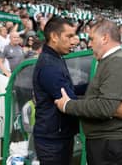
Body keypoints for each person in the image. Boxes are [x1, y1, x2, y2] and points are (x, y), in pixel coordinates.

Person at [55, 19, 122, 165]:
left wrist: (68, 105)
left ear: (104, 38)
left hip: (110, 146)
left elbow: (105, 107)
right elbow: (103, 102)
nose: (89, 44)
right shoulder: (110, 61)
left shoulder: (117, 62)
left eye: (91, 39)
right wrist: (114, 110)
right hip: (107, 144)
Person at [32, 17, 86, 165]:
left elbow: (67, 89)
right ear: (54, 37)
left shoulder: (56, 58)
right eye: (69, 36)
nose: (74, 41)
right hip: (52, 140)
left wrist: (91, 86)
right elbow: (69, 101)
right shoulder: (49, 65)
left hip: (58, 135)